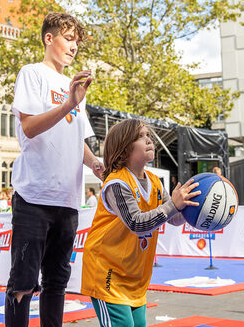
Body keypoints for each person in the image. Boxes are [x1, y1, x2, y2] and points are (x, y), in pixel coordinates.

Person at [4, 12, 105, 327]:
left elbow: (76, 141)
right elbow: (30, 128)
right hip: (34, 196)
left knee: (57, 284)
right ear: (49, 38)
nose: (74, 46)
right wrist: (68, 105)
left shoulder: (73, 86)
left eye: (77, 41)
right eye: (68, 38)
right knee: (23, 283)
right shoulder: (32, 74)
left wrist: (96, 164)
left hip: (67, 200)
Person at [81, 119, 199, 325]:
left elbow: (174, 218)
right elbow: (136, 223)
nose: (149, 140)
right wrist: (174, 205)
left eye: (148, 135)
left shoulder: (154, 181)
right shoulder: (116, 183)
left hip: (134, 276)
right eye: (140, 136)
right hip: (107, 273)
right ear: (124, 149)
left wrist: (195, 210)